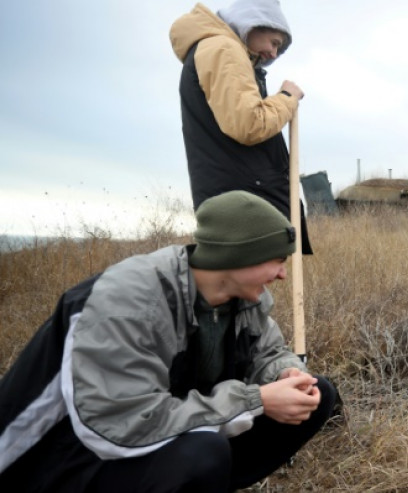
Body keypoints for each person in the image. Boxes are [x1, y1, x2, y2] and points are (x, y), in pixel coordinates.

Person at [0, 190, 337, 492]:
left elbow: (270, 350)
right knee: (203, 455)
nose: (282, 274)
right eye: (278, 260)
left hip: (156, 431)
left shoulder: (245, 298)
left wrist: (286, 374)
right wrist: (254, 400)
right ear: (238, 255)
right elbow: (121, 423)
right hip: (65, 456)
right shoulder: (129, 304)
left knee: (318, 394)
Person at [170, 0, 313, 254]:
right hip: (242, 203)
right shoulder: (224, 49)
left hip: (234, 198)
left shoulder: (214, 49)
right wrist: (286, 98)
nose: (272, 52)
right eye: (273, 42)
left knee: (242, 290)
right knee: (243, 286)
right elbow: (249, 124)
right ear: (251, 23)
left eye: (278, 48)